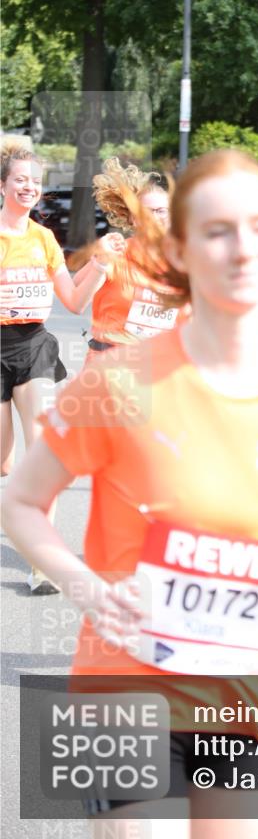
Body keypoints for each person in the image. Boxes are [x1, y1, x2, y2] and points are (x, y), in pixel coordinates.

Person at [2, 149, 258, 836]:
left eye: (257, 227)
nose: (240, 247)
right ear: (182, 250)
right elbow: (19, 501)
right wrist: (83, 588)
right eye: (216, 229)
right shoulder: (115, 383)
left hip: (247, 696)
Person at [0, 145, 120, 593]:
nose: (29, 187)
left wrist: (99, 265)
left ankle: (40, 561)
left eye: (35, 181)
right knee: (6, 461)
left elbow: (73, 301)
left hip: (33, 345)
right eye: (20, 180)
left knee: (39, 453)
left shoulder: (43, 239)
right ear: (3, 186)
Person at [72, 157, 177, 358]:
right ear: (132, 218)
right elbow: (76, 296)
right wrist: (101, 262)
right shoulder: (117, 252)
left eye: (161, 211)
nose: (154, 217)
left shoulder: (183, 261)